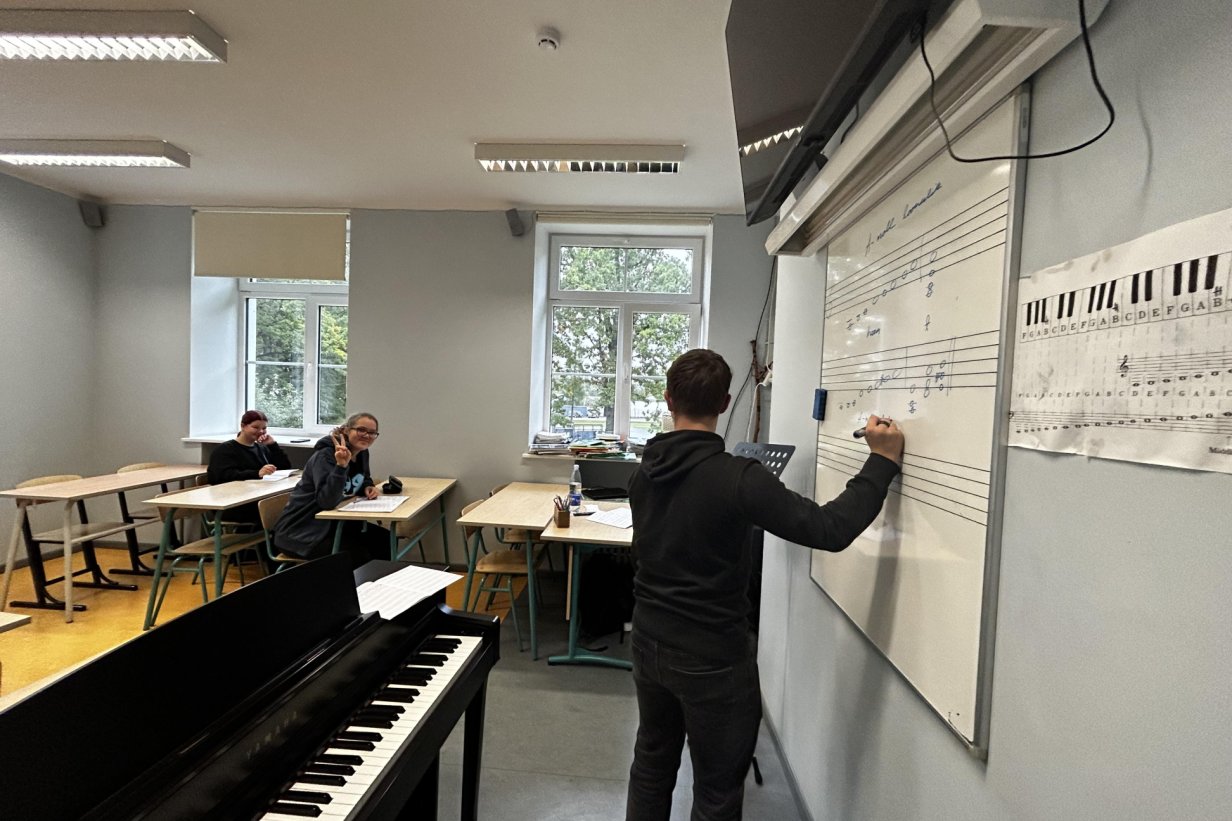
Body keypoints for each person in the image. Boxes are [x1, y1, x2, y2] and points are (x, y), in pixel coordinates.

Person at [625, 349, 904, 821]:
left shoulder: (642, 473)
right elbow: (829, 529)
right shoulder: (738, 478)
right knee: (716, 792)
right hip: (712, 657)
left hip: (648, 641)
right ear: (724, 402)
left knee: (652, 765)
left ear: (669, 399)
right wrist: (880, 461)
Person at [272, 412, 390, 566]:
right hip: (302, 531)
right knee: (358, 555)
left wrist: (368, 486)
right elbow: (326, 501)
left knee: (384, 540)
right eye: (361, 430)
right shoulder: (325, 455)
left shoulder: (362, 452)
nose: (367, 436)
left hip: (332, 524)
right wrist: (341, 467)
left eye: (372, 432)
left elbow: (363, 476)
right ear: (347, 430)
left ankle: (383, 581)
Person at [206, 409, 292, 524]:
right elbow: (221, 477)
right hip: (235, 502)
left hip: (256, 497)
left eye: (264, 428)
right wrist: (257, 473)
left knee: (288, 505)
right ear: (243, 426)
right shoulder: (225, 450)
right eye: (255, 427)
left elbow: (285, 467)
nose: (261, 431)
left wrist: (272, 445)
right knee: (281, 509)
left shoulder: (261, 448)